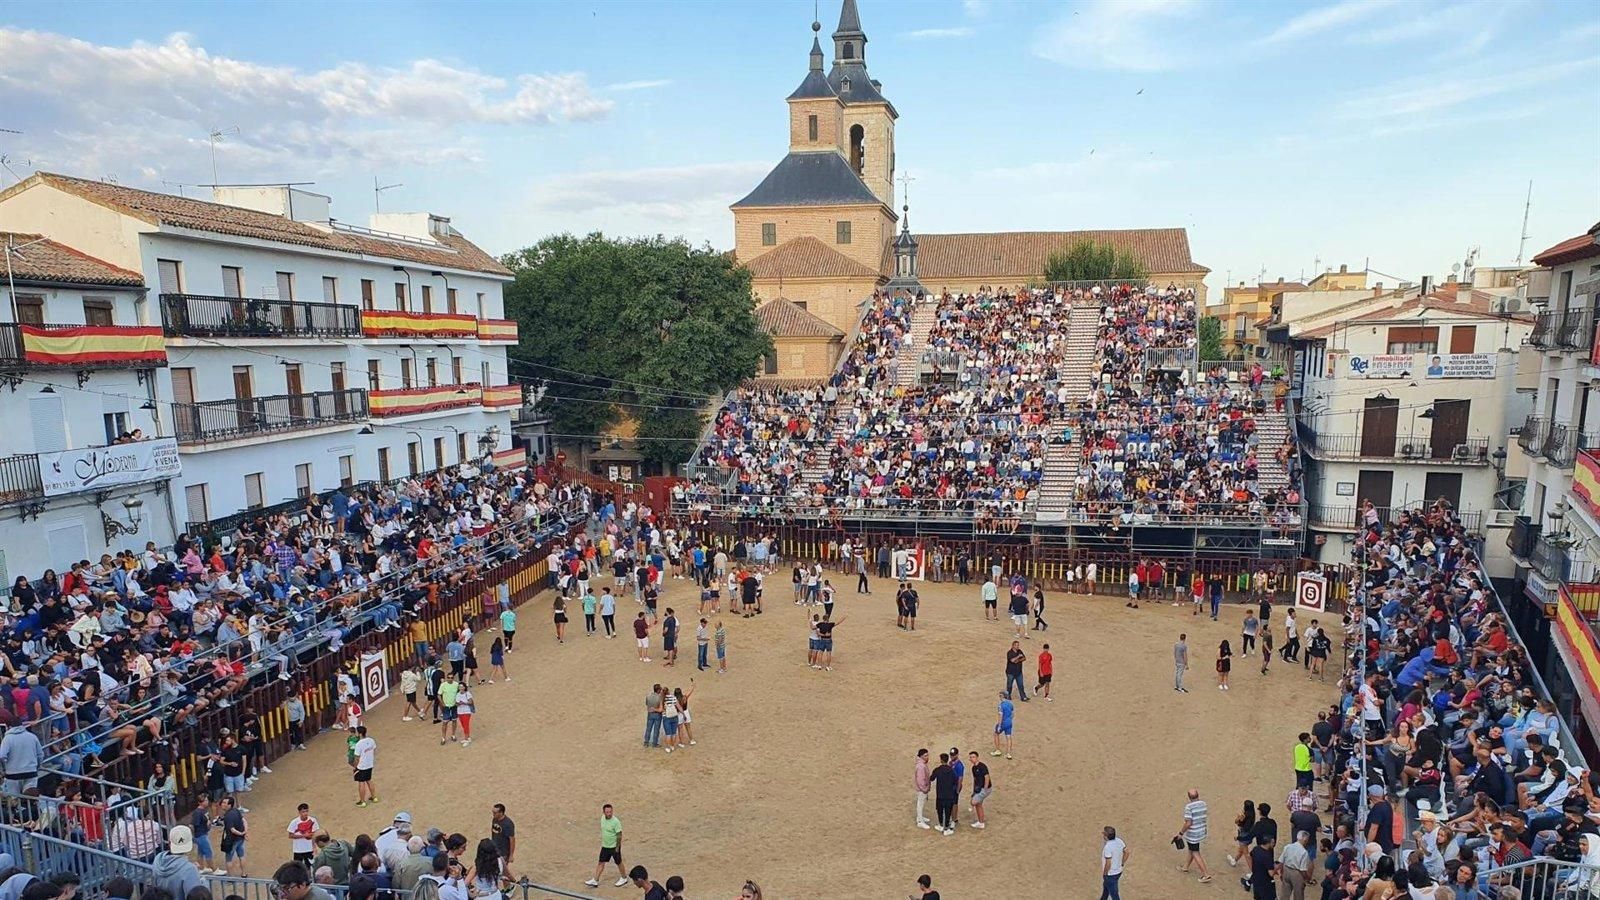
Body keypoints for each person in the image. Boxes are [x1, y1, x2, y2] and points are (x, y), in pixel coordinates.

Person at [583, 804, 630, 888]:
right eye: (607, 812)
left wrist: (617, 847)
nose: (609, 813)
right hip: (605, 846)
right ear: (604, 812)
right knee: (601, 862)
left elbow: (619, 834)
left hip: (614, 846)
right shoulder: (602, 818)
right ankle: (595, 880)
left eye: (610, 811)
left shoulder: (616, 821)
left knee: (618, 862)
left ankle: (624, 878)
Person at [152, 825, 204, 900]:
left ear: (170, 843)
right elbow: (195, 896)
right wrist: (201, 879)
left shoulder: (158, 859)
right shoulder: (189, 869)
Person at [1176, 788, 1212, 884]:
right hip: (1201, 831)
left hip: (1193, 833)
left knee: (1195, 852)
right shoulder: (1203, 804)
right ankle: (1185, 867)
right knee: (1192, 849)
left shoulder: (1189, 807)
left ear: (1189, 797)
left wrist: (1181, 833)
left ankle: (1206, 874)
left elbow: (1188, 823)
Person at [1276, 830, 1311, 900]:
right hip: (1297, 874)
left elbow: (1281, 861)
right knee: (1298, 895)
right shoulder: (1304, 852)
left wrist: (1282, 872)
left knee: (1284, 894)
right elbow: (1302, 870)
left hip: (1286, 869)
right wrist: (1307, 878)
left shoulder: (1288, 846)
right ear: (1305, 840)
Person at [219, 795, 248, 877]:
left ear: (229, 805)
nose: (222, 804)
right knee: (241, 855)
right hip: (240, 839)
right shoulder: (236, 811)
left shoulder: (227, 816)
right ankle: (244, 873)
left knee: (228, 859)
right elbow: (244, 821)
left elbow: (232, 830)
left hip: (231, 840)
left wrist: (241, 833)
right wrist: (244, 832)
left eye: (225, 803)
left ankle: (230, 877)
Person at [931, 752, 958, 835]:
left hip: (940, 795)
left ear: (941, 760)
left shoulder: (937, 770)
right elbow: (955, 781)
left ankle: (940, 825)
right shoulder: (952, 770)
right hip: (949, 795)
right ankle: (946, 828)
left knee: (940, 810)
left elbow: (931, 778)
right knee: (947, 812)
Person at [490, 803, 517, 880]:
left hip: (503, 852)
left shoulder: (508, 824)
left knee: (503, 871)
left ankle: (511, 884)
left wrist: (511, 855)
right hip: (494, 849)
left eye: (495, 813)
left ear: (501, 813)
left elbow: (512, 840)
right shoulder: (495, 819)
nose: (493, 814)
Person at [1100, 825, 1128, 900]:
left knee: (1114, 895)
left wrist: (1105, 873)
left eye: (1104, 833)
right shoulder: (1119, 841)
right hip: (1118, 871)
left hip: (1110, 874)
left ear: (1106, 836)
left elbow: (1108, 863)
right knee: (1106, 889)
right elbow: (1127, 852)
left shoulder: (1108, 847)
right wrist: (1122, 863)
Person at [351, 726, 377, 807]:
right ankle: (374, 797)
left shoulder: (359, 744)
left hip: (362, 766)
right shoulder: (371, 740)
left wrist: (355, 767)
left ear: (360, 733)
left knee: (361, 783)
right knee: (369, 780)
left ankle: (362, 801)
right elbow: (374, 749)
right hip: (370, 764)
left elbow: (356, 757)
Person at [968, 751, 991, 829]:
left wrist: (985, 789)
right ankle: (981, 822)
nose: (972, 759)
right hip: (979, 788)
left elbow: (987, 777)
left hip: (985, 788)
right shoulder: (973, 768)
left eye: (973, 757)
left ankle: (980, 822)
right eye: (970, 757)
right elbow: (975, 780)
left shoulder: (982, 766)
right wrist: (974, 791)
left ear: (977, 757)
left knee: (973, 802)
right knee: (978, 805)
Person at [992, 691, 1015, 760]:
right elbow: (1012, 714)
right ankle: (1008, 754)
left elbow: (1000, 716)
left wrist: (999, 726)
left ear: (1002, 696)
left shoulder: (1001, 706)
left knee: (996, 734)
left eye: (1000, 696)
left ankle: (997, 750)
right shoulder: (1010, 704)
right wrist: (1009, 720)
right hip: (1009, 722)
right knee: (1008, 737)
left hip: (1003, 723)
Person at [913, 748, 932, 830]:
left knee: (921, 803)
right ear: (921, 756)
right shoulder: (921, 766)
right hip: (922, 788)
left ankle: (920, 817)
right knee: (920, 804)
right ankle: (920, 821)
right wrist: (924, 789)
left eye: (927, 755)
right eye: (925, 755)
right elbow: (920, 779)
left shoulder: (922, 764)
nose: (927, 757)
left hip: (923, 788)